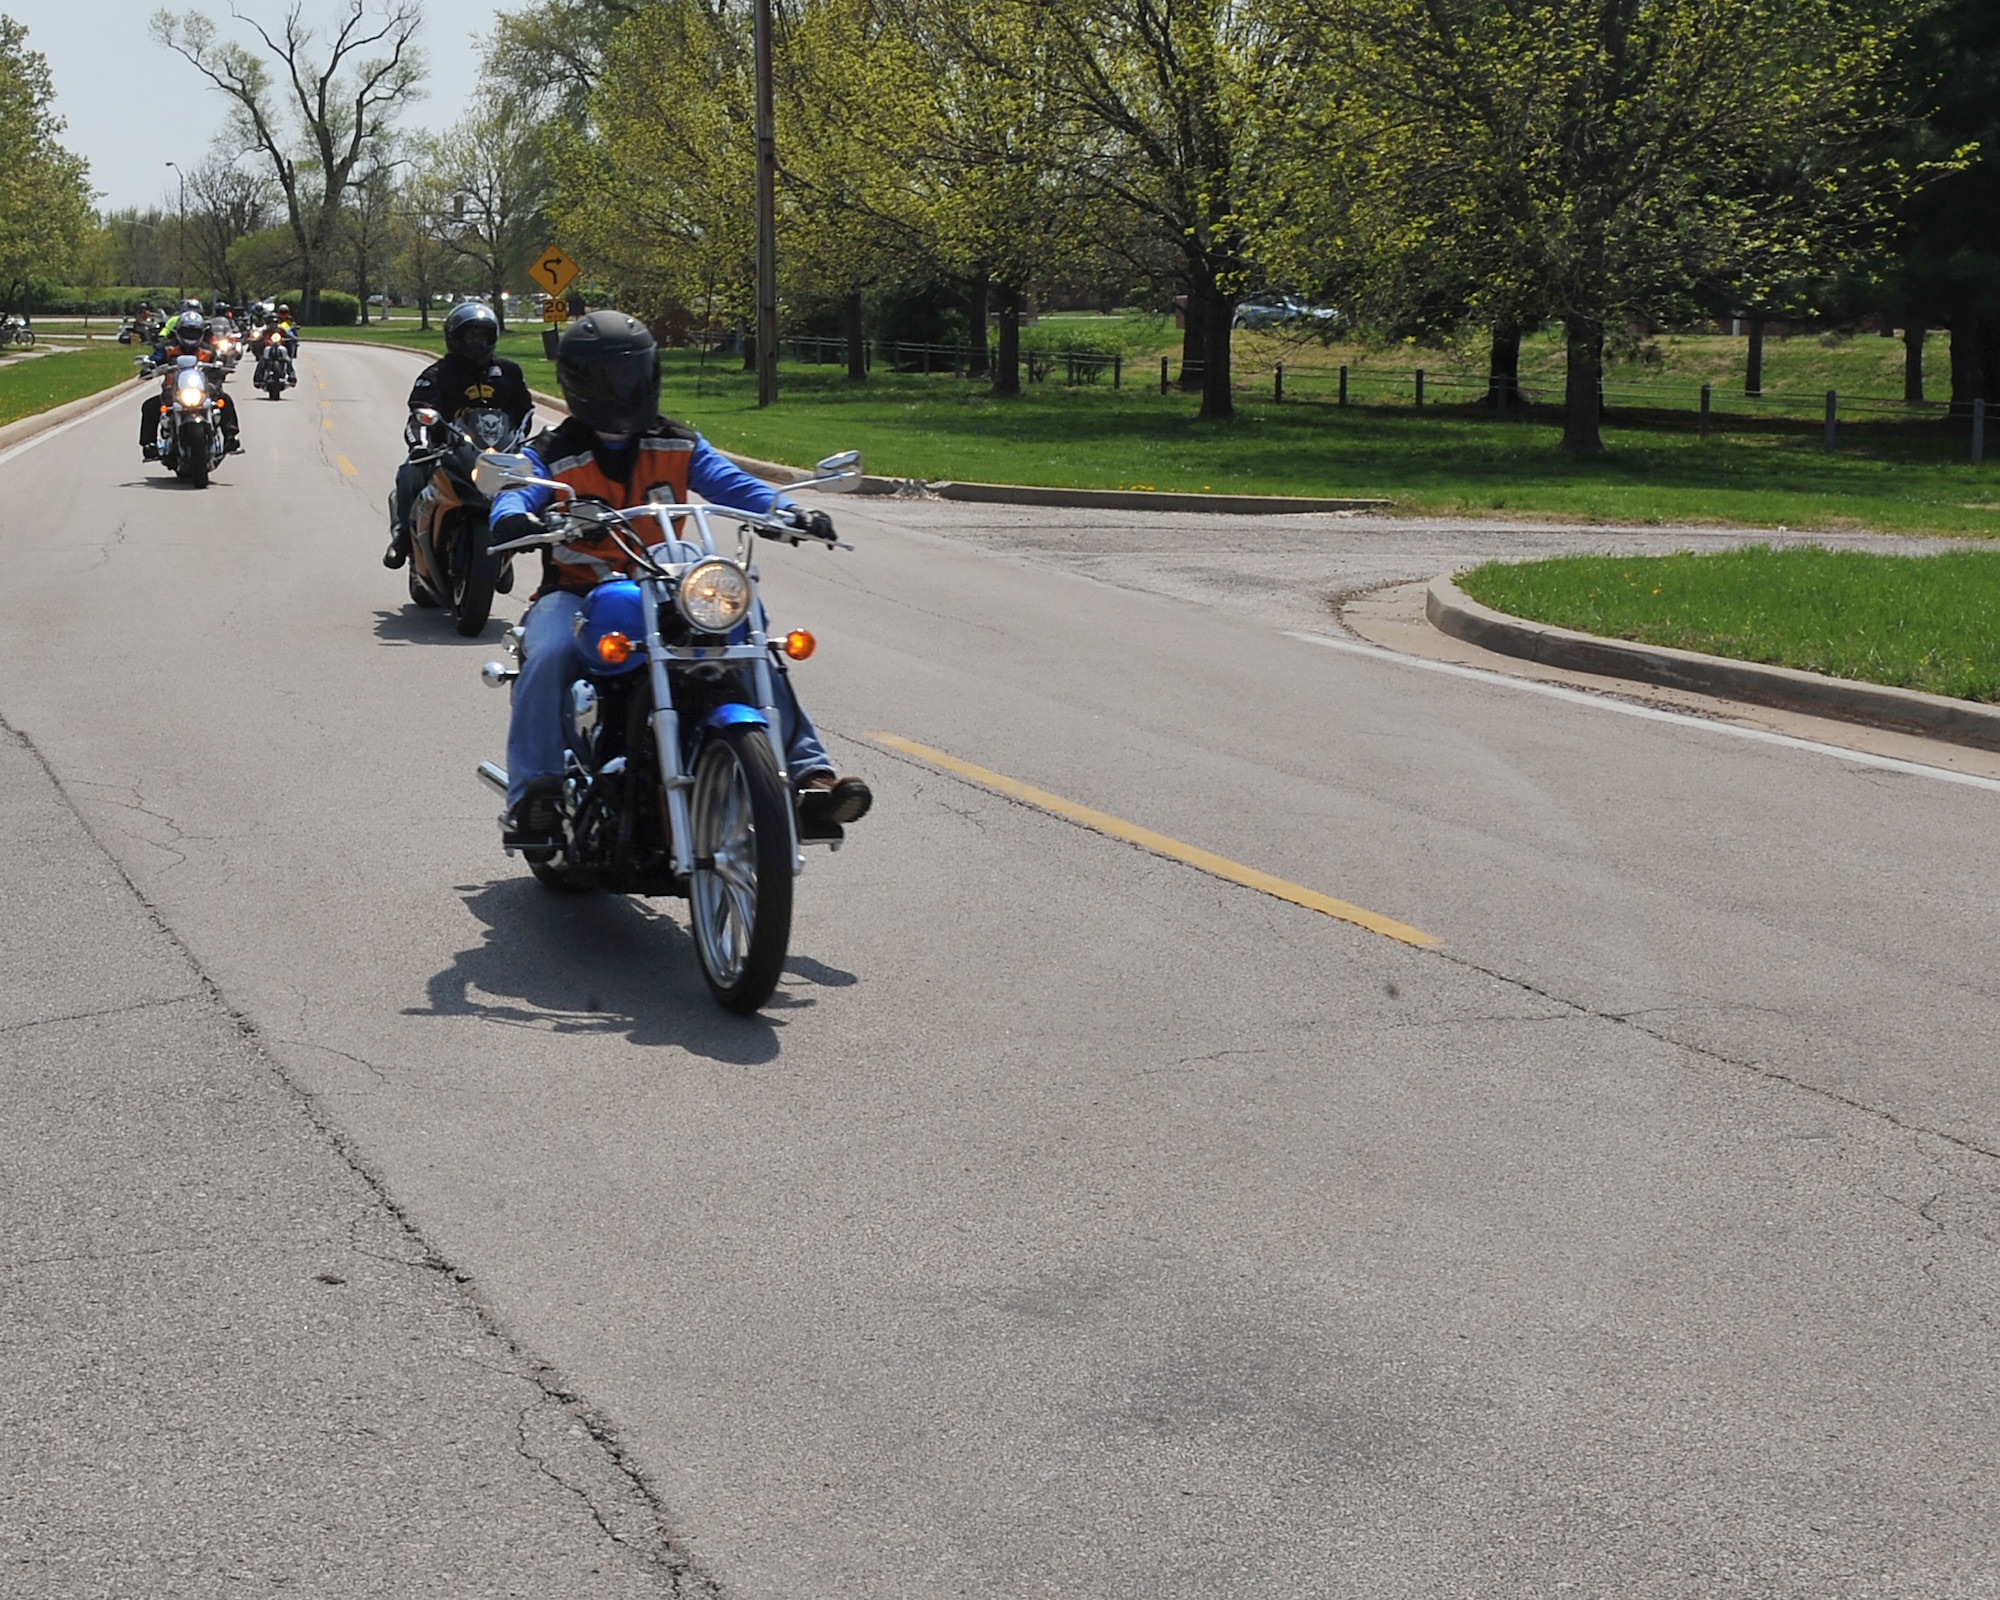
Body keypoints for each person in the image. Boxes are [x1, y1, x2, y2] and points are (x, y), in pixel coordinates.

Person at [487, 310, 871, 848]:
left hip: (671, 589)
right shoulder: (552, 452)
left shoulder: (679, 442)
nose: (627, 389)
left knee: (752, 635)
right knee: (547, 652)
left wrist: (786, 511)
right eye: (613, 378)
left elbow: (733, 483)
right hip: (575, 593)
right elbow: (516, 488)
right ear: (582, 382)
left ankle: (809, 780)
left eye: (635, 375)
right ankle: (535, 794)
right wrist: (513, 514)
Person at [383, 300, 534, 569]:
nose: (477, 341)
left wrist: (519, 440)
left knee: (534, 482)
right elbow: (419, 413)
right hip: (448, 450)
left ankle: (517, 538)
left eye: (482, 335)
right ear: (455, 336)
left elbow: (524, 411)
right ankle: (402, 539)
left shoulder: (509, 372)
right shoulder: (437, 374)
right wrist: (420, 445)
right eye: (470, 334)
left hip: (496, 454)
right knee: (408, 473)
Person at [138, 313, 241, 458]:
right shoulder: (167, 347)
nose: (191, 335)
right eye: (187, 332)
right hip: (171, 393)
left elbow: (217, 365)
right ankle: (150, 445)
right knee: (149, 406)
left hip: (203, 392)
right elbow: (155, 359)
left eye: (194, 332)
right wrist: (149, 367)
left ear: (201, 333)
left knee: (225, 400)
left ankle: (231, 438)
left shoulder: (207, 350)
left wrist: (220, 370)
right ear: (178, 332)